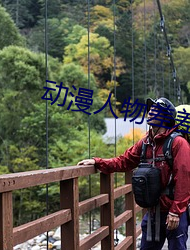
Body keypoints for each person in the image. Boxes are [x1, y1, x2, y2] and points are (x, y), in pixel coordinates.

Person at [77, 97, 190, 250]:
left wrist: (176, 212)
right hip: (153, 211)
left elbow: (184, 178)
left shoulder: (178, 143)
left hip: (173, 211)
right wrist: (98, 162)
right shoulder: (145, 143)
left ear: (165, 117)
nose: (150, 112)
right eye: (150, 109)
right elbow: (124, 161)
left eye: (155, 110)